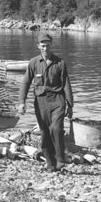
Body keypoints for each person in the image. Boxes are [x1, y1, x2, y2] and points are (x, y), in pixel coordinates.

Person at [18, 32, 74, 172]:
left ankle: (60, 159)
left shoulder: (60, 63)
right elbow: (25, 82)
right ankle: (50, 163)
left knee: (56, 128)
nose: (45, 49)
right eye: (42, 46)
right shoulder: (34, 63)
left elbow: (66, 84)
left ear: (51, 46)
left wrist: (70, 104)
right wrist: (21, 102)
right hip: (41, 101)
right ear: (38, 46)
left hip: (57, 100)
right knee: (45, 133)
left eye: (47, 46)